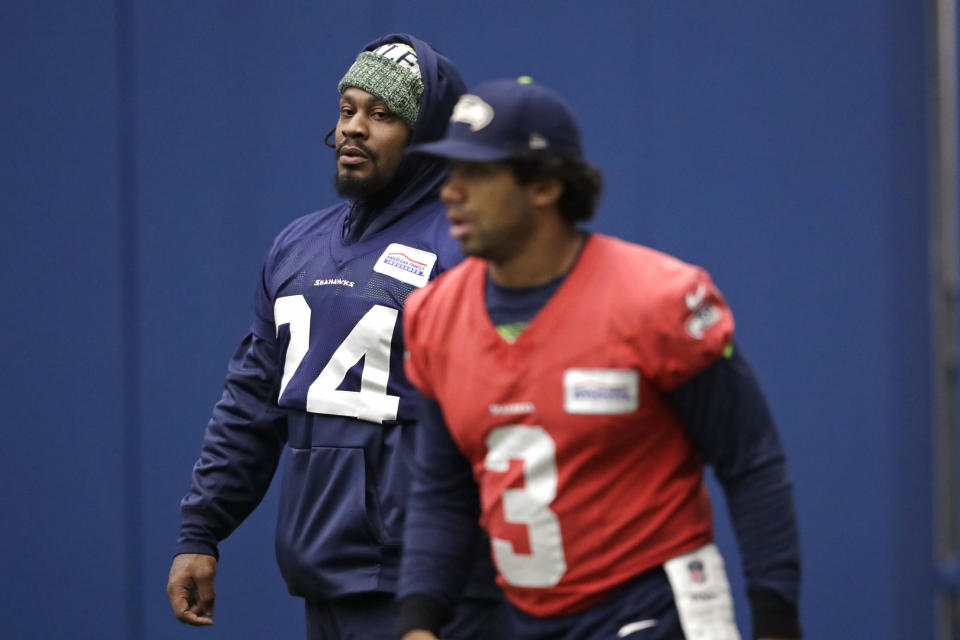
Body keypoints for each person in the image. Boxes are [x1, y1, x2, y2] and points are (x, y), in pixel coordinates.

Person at [394, 77, 802, 640]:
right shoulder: (435, 315)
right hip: (525, 618)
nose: (450, 192)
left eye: (478, 173)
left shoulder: (655, 300)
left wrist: (777, 620)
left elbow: (750, 463)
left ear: (545, 187)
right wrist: (418, 621)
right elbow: (442, 489)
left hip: (654, 610)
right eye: (450, 171)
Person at [166, 34, 501, 640]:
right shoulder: (297, 245)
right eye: (348, 109)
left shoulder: (465, 250)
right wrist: (202, 529)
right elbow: (251, 402)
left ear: (426, 138)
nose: (353, 129)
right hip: (319, 573)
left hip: (429, 588)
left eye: (382, 115)